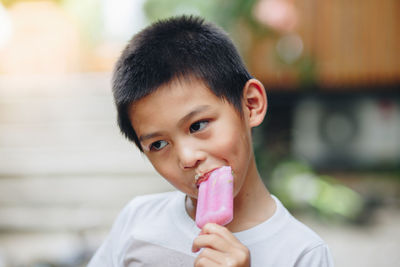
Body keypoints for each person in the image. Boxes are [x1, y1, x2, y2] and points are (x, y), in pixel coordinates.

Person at [88, 15, 334, 267]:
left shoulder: (303, 253)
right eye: (158, 144)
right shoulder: (138, 221)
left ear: (251, 104)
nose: (186, 157)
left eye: (198, 125)